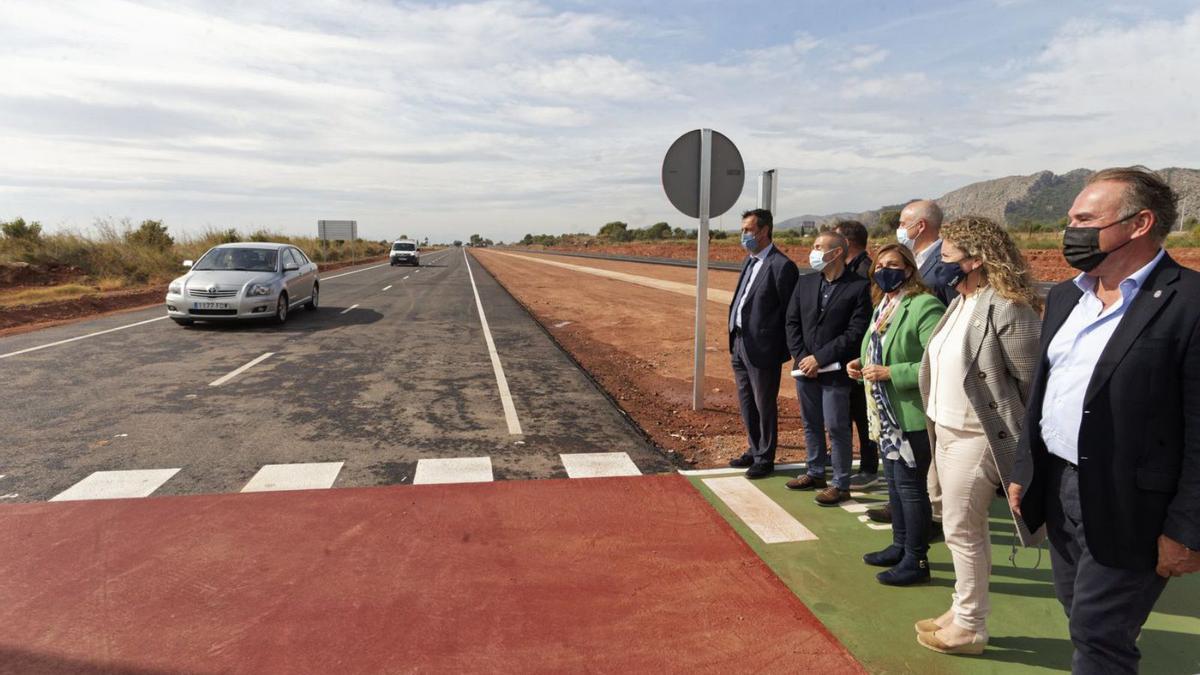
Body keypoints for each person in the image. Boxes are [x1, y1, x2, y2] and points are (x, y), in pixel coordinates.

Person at [1008, 167, 1200, 673]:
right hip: (1061, 489)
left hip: (1133, 503)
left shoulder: (1190, 302)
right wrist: (1026, 470)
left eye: (1086, 218)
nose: (1068, 230)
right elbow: (1044, 392)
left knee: (1099, 635)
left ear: (1139, 224)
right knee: (1081, 619)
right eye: (1070, 217)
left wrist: (1187, 528)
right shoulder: (1068, 296)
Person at [913, 216, 1044, 655]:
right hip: (947, 429)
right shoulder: (960, 300)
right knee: (964, 528)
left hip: (978, 437)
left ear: (976, 259)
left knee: (961, 530)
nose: (939, 264)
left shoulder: (1007, 306)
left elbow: (1031, 384)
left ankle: (970, 626)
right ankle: (963, 608)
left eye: (947, 256)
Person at [848, 244, 945, 585]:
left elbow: (937, 362)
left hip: (910, 415)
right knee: (894, 485)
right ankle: (900, 544)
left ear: (908, 269)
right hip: (885, 417)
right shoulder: (885, 305)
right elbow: (877, 346)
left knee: (910, 488)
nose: (883, 270)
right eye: (879, 265)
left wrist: (892, 373)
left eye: (892, 264)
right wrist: (860, 362)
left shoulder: (924, 305)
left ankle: (917, 559)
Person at [870, 199, 958, 526]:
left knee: (922, 475)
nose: (899, 228)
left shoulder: (941, 265)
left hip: (925, 391)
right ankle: (905, 526)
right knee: (904, 477)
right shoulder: (892, 294)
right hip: (892, 401)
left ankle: (925, 527)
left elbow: (948, 326)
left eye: (903, 222)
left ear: (919, 226)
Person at [784, 230, 872, 505]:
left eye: (819, 246)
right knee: (811, 423)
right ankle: (815, 471)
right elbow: (792, 322)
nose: (813, 250)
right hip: (805, 370)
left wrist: (819, 358)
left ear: (836, 253)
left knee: (836, 426)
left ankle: (840, 483)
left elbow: (855, 331)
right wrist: (801, 356)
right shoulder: (806, 283)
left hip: (835, 372)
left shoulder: (858, 287)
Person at [727, 209, 800, 479]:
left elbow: (790, 313)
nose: (744, 235)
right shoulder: (750, 261)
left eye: (748, 230)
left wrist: (782, 350)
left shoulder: (782, 266)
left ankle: (765, 457)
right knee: (747, 402)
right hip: (740, 343)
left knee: (764, 403)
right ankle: (754, 448)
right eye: (743, 230)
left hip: (763, 348)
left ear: (765, 231)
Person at [835, 219, 879, 488]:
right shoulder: (850, 268)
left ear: (847, 243)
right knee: (849, 411)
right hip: (847, 355)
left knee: (863, 414)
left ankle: (869, 466)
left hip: (860, 354)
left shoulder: (866, 271)